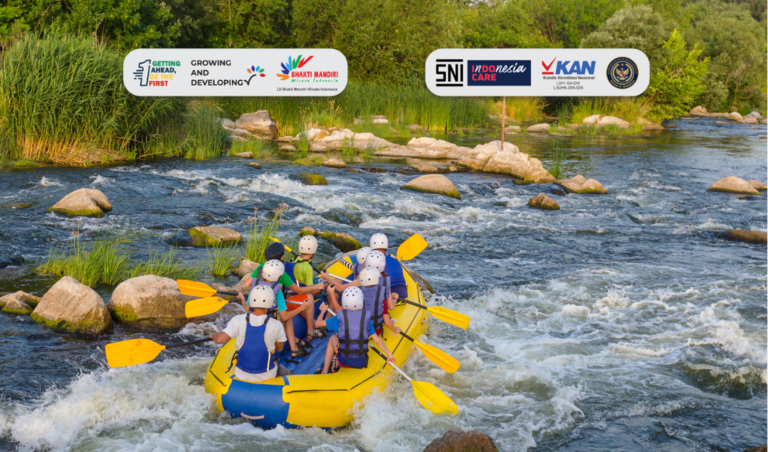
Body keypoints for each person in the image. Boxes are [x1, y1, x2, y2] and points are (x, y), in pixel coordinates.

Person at [243, 242, 326, 344]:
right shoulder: (281, 273)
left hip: (257, 307)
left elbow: (247, 285)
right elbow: (298, 290)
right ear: (282, 257)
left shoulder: (261, 267)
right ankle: (311, 332)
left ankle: (298, 336)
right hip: (275, 309)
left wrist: (255, 295)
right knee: (308, 297)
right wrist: (316, 286)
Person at [208, 286, 291, 382]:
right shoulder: (277, 324)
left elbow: (219, 339)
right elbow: (280, 348)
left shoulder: (237, 319)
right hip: (267, 374)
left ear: (251, 301)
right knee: (288, 372)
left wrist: (213, 335)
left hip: (241, 374)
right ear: (270, 303)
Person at [315, 287, 396, 374]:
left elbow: (317, 324)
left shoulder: (337, 318)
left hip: (343, 361)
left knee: (333, 337)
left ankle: (324, 371)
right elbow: (377, 340)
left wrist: (323, 310)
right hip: (361, 361)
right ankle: (336, 361)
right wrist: (389, 354)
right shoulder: (365, 320)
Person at [252, 259, 314, 359]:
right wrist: (302, 307)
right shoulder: (278, 292)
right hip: (267, 323)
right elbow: (284, 316)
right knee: (287, 317)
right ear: (278, 277)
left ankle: (296, 340)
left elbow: (247, 307)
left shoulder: (255, 286)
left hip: (252, 321)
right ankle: (294, 349)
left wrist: (242, 298)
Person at [358, 267, 400, 336]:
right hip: (375, 332)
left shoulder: (356, 293)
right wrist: (395, 330)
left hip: (358, 331)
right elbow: (387, 322)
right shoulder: (380, 297)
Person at [369, 233, 408, 300]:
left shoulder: (372, 261)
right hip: (402, 293)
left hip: (386, 295)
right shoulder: (395, 260)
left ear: (371, 247)